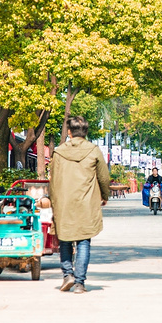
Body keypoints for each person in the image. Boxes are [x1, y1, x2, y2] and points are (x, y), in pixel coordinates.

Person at [49, 115, 111, 293]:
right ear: (85, 131)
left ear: (69, 132)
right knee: (83, 240)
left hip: (64, 202)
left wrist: (54, 201)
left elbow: (53, 181)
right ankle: (79, 283)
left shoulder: (59, 152)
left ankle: (67, 274)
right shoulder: (93, 151)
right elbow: (103, 178)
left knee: (65, 239)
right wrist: (104, 195)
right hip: (86, 203)